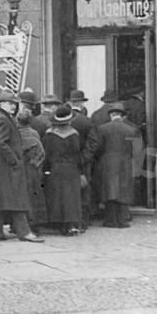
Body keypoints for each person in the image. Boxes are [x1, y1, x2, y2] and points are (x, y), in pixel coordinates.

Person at [0, 89, 44, 243]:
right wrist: (14, 160)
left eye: (14, 103)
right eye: (9, 103)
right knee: (17, 198)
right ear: (1, 104)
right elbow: (0, 142)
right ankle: (24, 232)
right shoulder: (3, 119)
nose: (13, 106)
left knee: (0, 199)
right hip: (8, 166)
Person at [94, 102, 140, 228]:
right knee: (124, 189)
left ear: (111, 115)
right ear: (122, 115)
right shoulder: (131, 130)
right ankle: (123, 220)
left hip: (107, 162)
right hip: (125, 162)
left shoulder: (102, 129)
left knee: (109, 190)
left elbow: (98, 148)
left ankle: (111, 220)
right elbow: (136, 150)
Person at [42, 105, 84, 235]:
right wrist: (81, 170)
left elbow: (46, 154)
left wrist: (46, 169)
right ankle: (70, 225)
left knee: (57, 196)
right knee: (71, 197)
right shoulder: (74, 134)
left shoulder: (49, 134)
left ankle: (58, 224)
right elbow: (77, 154)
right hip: (71, 168)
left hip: (55, 167)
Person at [68, 90, 97, 230]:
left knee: (69, 192)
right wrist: (83, 158)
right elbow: (93, 143)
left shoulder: (60, 119)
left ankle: (70, 222)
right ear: (81, 103)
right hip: (83, 163)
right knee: (84, 191)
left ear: (70, 103)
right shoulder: (86, 121)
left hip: (66, 162)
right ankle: (83, 222)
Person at [17, 112, 46, 234]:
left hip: (18, 168)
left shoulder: (15, 134)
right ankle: (34, 223)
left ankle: (19, 224)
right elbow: (41, 153)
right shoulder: (34, 133)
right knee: (34, 196)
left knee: (20, 195)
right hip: (32, 169)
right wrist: (36, 164)